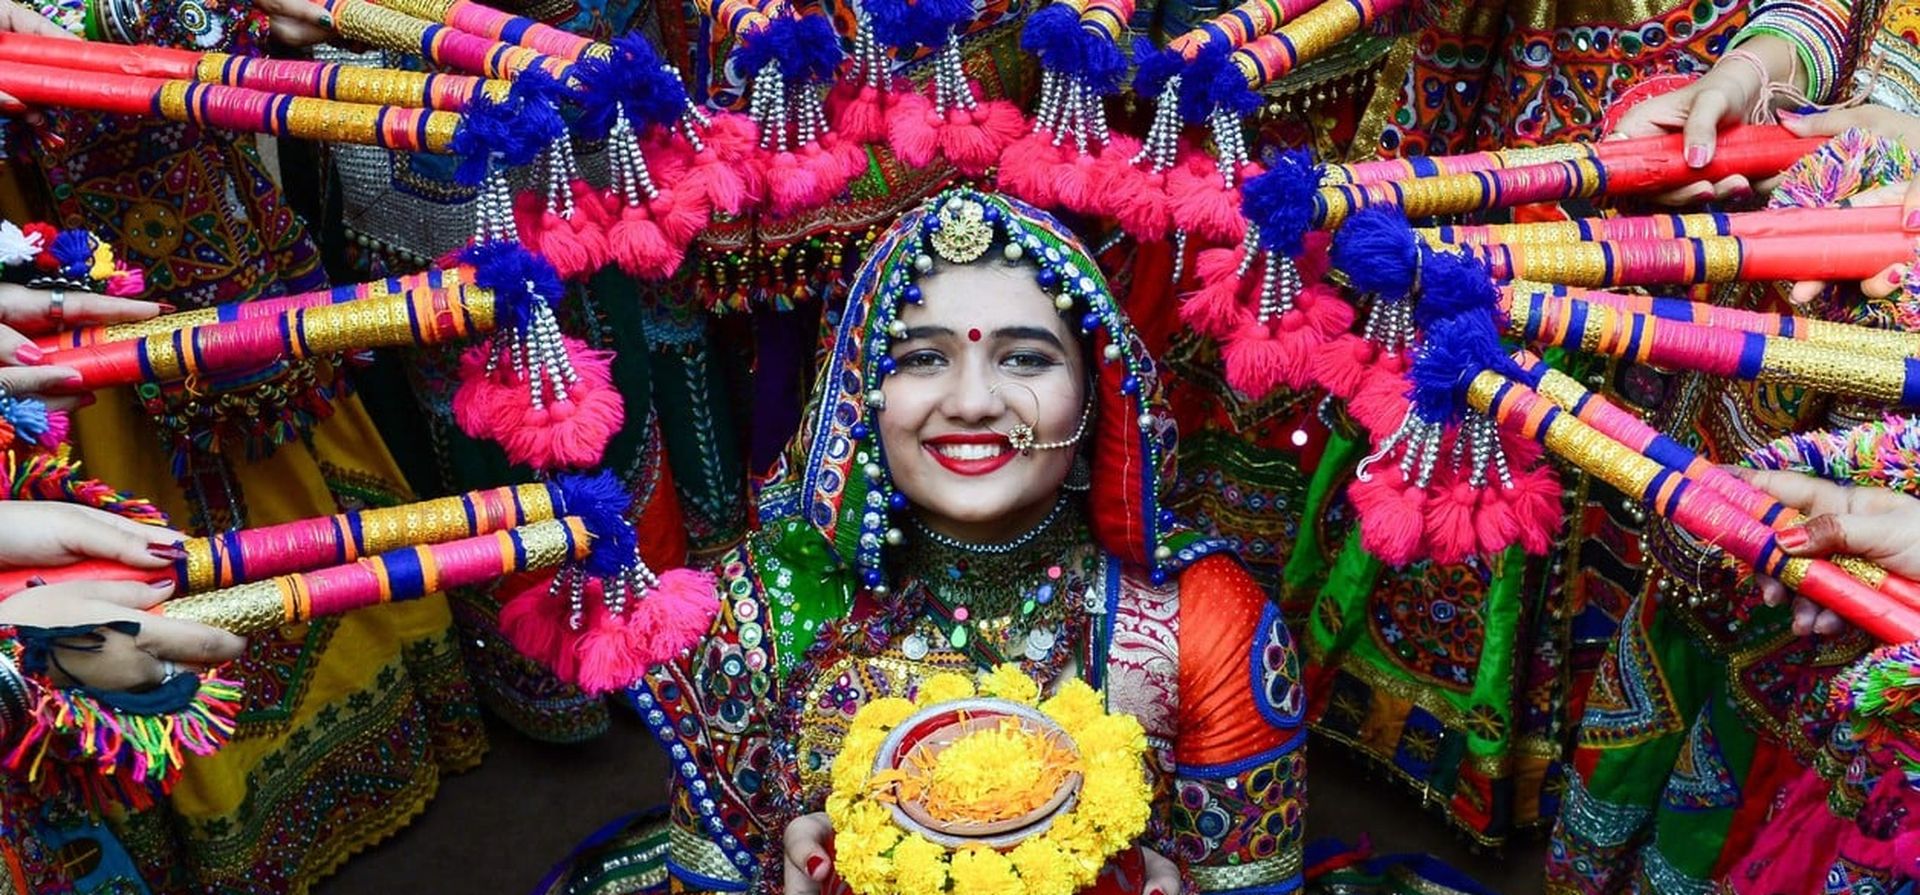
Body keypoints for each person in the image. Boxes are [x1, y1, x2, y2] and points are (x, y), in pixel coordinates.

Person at [539, 189, 1307, 895]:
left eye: (1026, 358)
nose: (972, 401)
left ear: (1096, 396)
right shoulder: (765, 606)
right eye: (923, 357)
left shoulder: (1203, 623)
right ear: (862, 394)